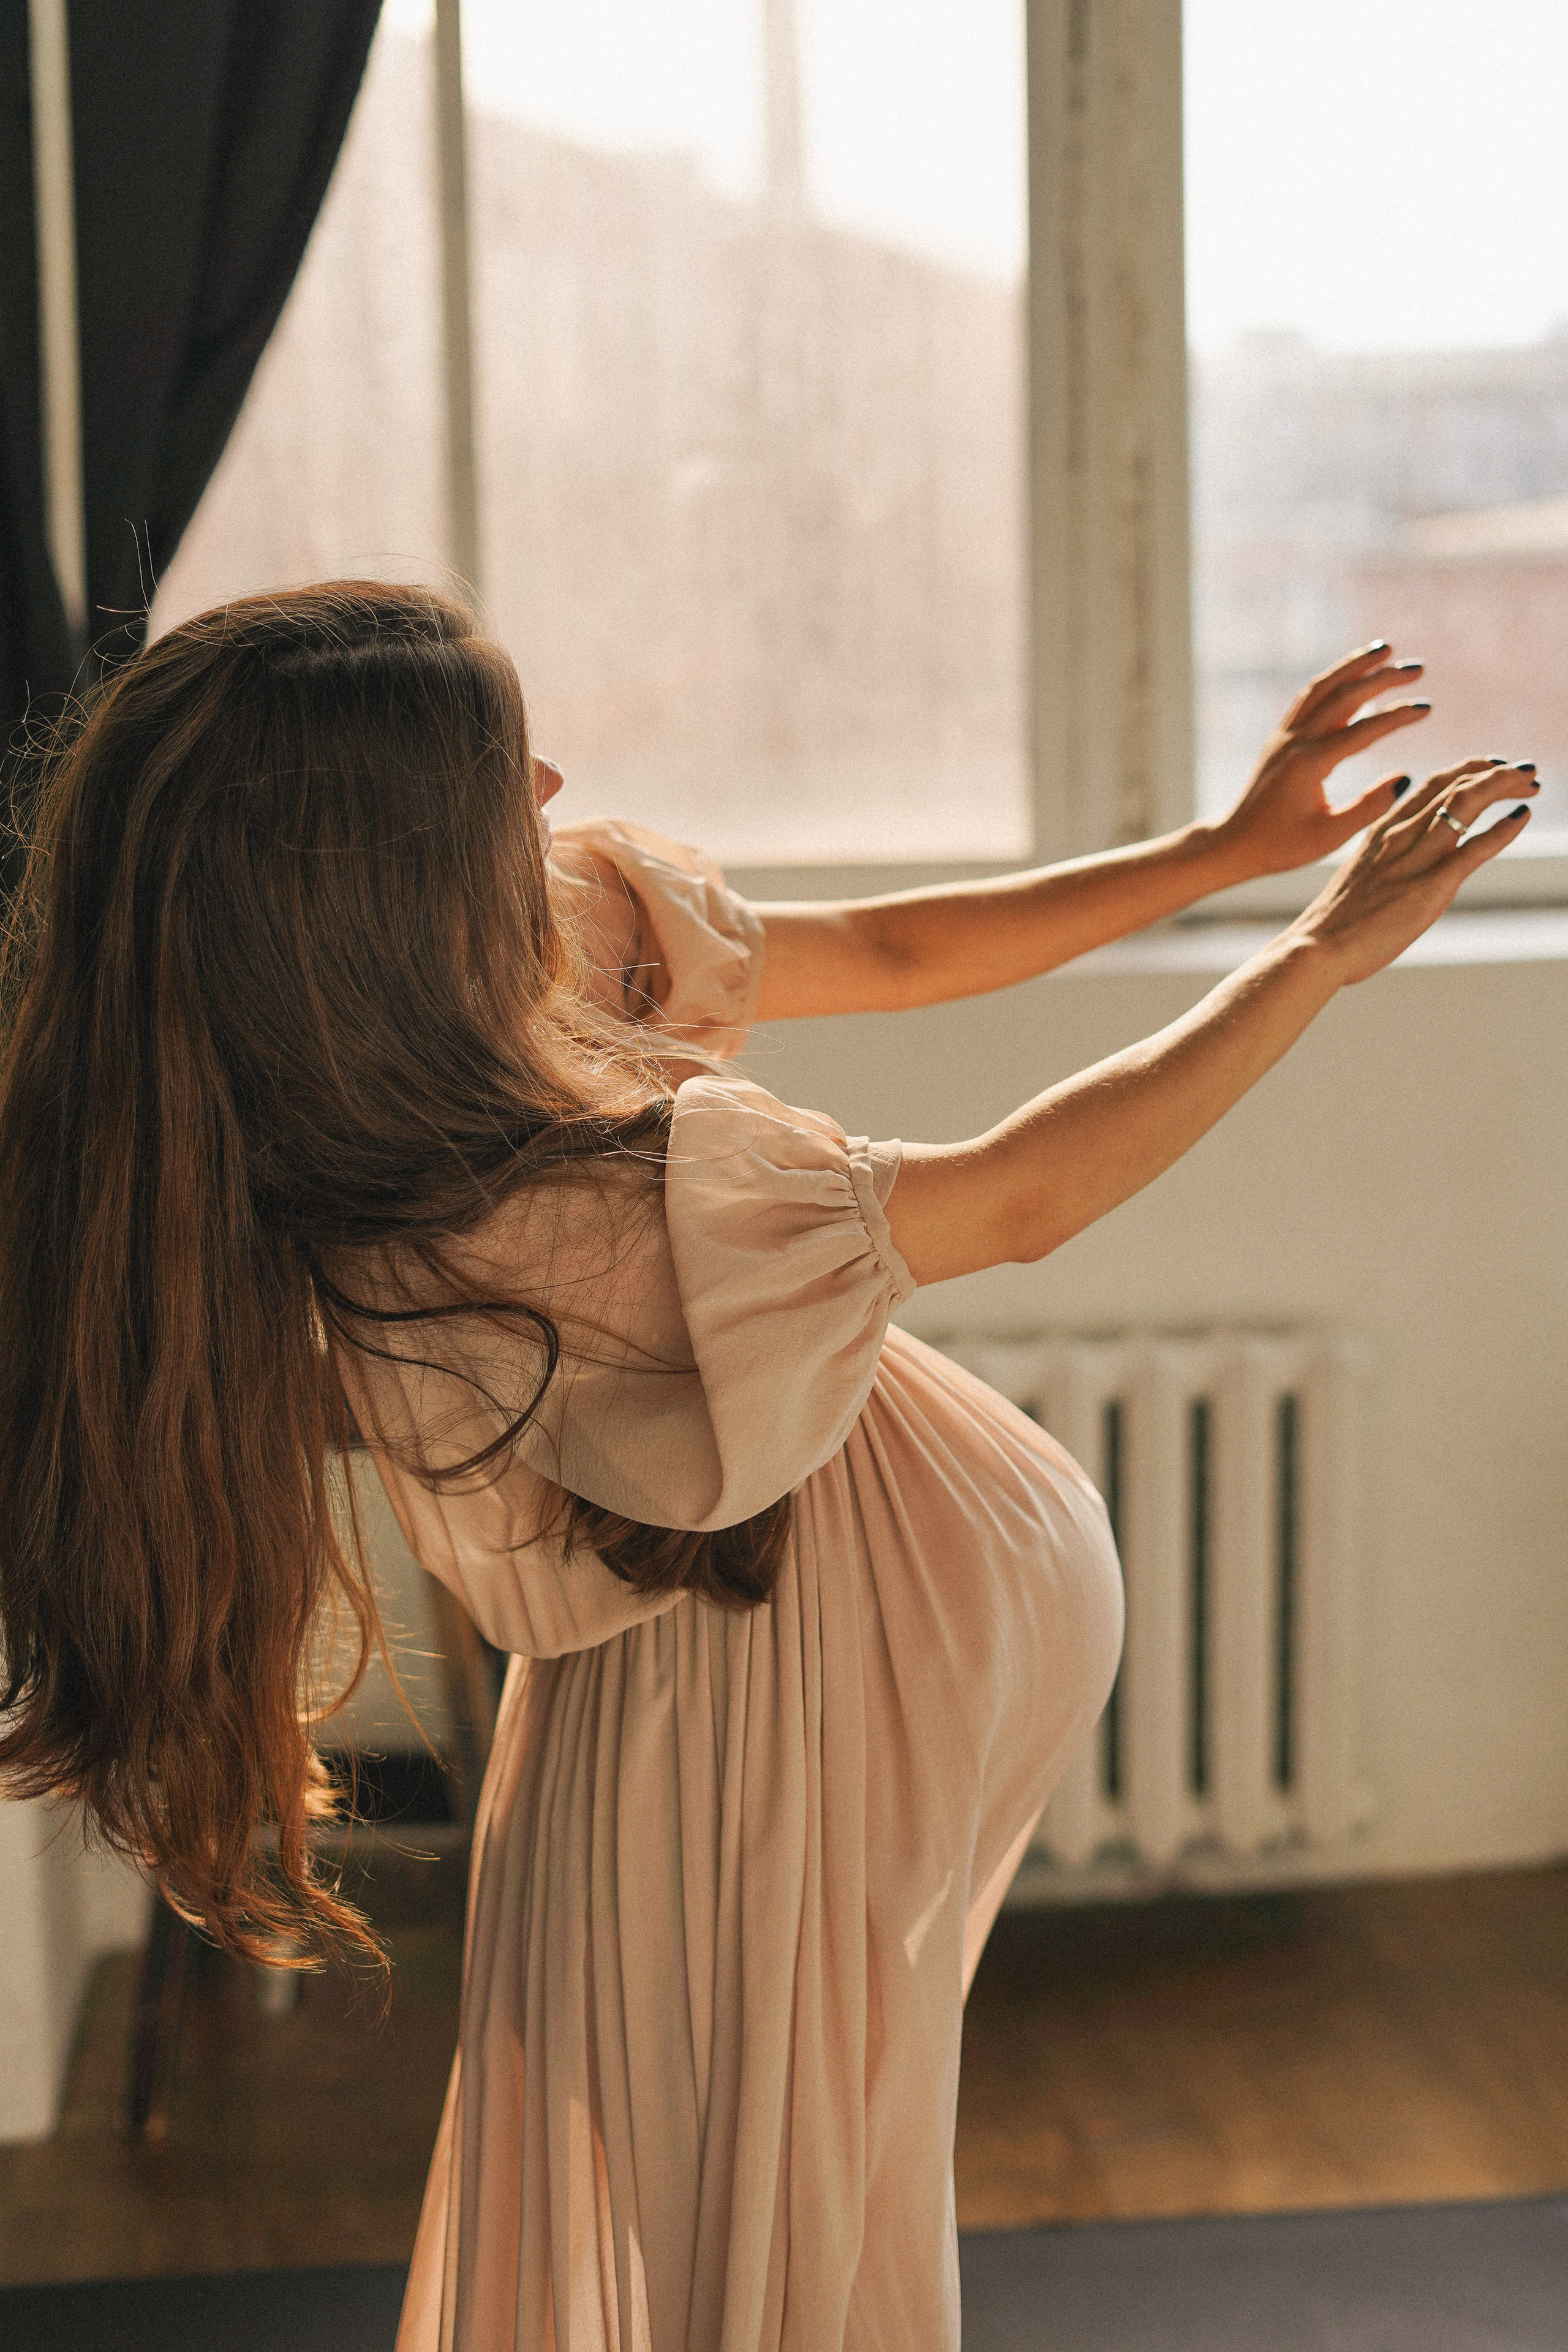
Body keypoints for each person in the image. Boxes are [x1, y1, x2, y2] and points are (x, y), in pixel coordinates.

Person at [0, 583, 1534, 2350]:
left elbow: (888, 955)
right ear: (389, 874)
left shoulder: (495, 965)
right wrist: (1321, 951)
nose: (561, 782)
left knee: (779, 2171)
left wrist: (1217, 849)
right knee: (769, 2204)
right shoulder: (528, 1210)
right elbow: (1023, 1200)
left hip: (800, 1722)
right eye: (515, 772)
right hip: (747, 1745)